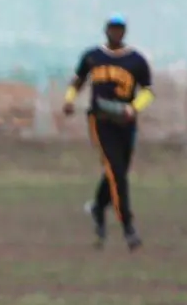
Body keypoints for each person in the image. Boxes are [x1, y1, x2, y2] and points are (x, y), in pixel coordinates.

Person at [63, 14, 154, 250]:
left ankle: (97, 207)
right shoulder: (93, 56)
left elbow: (148, 91)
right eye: (112, 29)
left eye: (119, 29)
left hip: (124, 122)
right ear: (106, 31)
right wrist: (70, 100)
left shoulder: (135, 60)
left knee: (118, 171)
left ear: (124, 32)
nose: (115, 33)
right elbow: (78, 80)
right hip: (100, 121)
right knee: (116, 172)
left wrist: (134, 109)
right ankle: (128, 228)